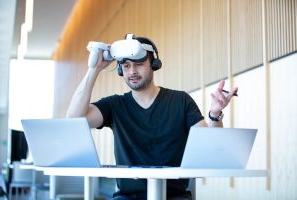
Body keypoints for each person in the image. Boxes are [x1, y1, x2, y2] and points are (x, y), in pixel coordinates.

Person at [66, 34, 238, 200]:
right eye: (126, 66)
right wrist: (94, 69)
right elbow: (74, 120)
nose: (132, 71)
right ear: (120, 69)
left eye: (139, 64)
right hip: (127, 197)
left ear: (153, 64)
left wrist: (215, 115)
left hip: (174, 196)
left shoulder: (180, 100)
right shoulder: (115, 105)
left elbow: (209, 147)